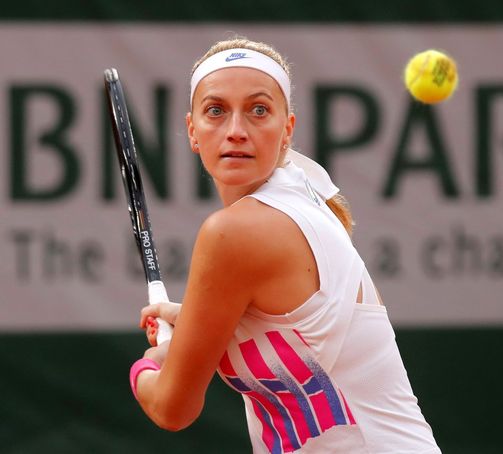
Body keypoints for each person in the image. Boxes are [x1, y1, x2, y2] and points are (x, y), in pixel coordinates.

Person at [129, 36, 441, 454]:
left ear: (287, 129)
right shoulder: (300, 199)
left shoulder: (236, 233)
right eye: (216, 111)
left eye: (258, 110)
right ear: (193, 131)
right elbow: (290, 330)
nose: (236, 131)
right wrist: (192, 323)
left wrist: (147, 365)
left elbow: (172, 407)